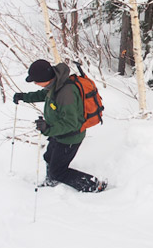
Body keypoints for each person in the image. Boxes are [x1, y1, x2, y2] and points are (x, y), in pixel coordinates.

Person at [13, 59, 107, 193]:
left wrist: (47, 128)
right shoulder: (55, 84)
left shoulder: (65, 93)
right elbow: (43, 95)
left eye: (36, 81)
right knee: (48, 158)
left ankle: (94, 185)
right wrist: (24, 97)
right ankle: (51, 181)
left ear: (45, 79)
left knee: (58, 171)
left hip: (69, 138)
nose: (35, 83)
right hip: (58, 133)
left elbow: (71, 123)